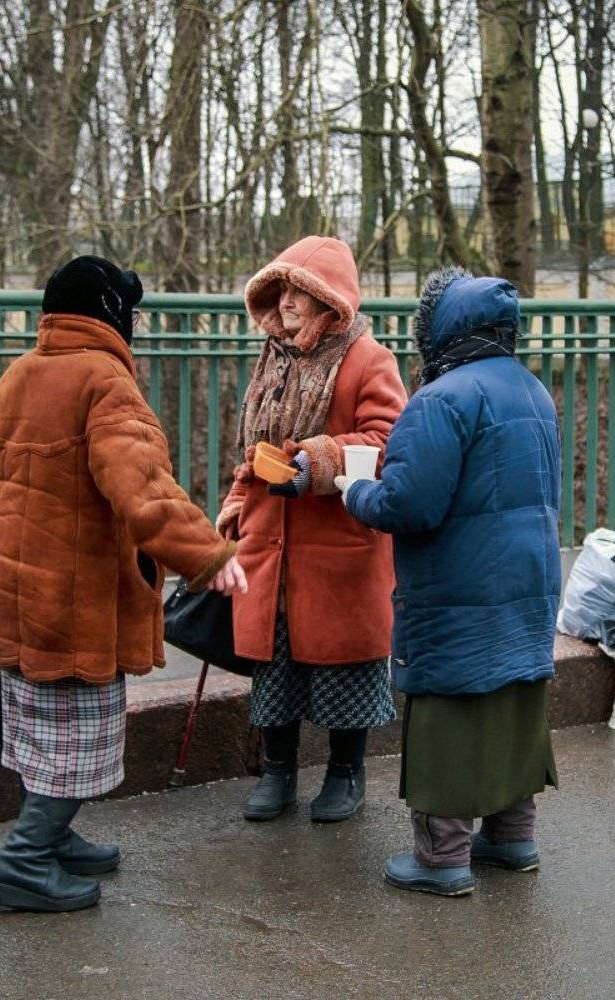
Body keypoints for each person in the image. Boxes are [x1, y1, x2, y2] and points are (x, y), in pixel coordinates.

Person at [0, 255, 247, 912]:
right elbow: (141, 485)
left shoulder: (19, 373)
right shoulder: (105, 382)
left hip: (11, 579)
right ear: (111, 313)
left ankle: (54, 839)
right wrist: (206, 553)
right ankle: (25, 858)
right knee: (76, 731)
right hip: (71, 592)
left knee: (37, 723)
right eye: (132, 313)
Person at [338, 268, 561, 897]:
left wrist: (355, 490)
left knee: (448, 707)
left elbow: (410, 506)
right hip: (529, 575)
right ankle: (513, 838)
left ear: (437, 331)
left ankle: (442, 858)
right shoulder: (532, 390)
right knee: (513, 697)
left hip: (460, 582)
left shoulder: (440, 399)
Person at [216, 236, 407, 823]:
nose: (288, 302)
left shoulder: (368, 358)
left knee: (346, 667)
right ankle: (277, 772)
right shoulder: (274, 356)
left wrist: (315, 461)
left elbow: (388, 440)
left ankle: (345, 773)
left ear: (330, 300)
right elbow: (253, 451)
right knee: (274, 663)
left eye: (300, 291)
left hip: (337, 542)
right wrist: (236, 504)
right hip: (268, 537)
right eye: (281, 290)